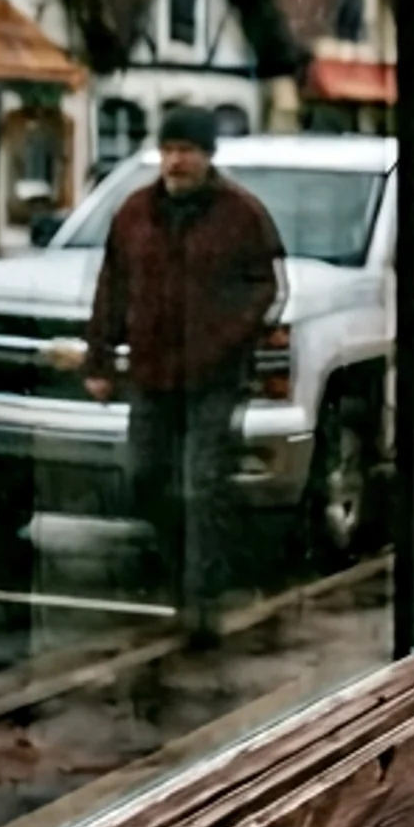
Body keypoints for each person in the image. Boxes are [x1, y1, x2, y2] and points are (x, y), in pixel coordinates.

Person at [81, 105, 283, 643]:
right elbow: (111, 288)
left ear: (208, 155)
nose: (176, 161)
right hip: (150, 373)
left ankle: (199, 603)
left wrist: (225, 338)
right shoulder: (134, 213)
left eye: (187, 151)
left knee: (202, 484)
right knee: (144, 476)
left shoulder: (241, 214)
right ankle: (181, 568)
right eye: (169, 150)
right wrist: (99, 358)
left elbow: (265, 287)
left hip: (214, 376)